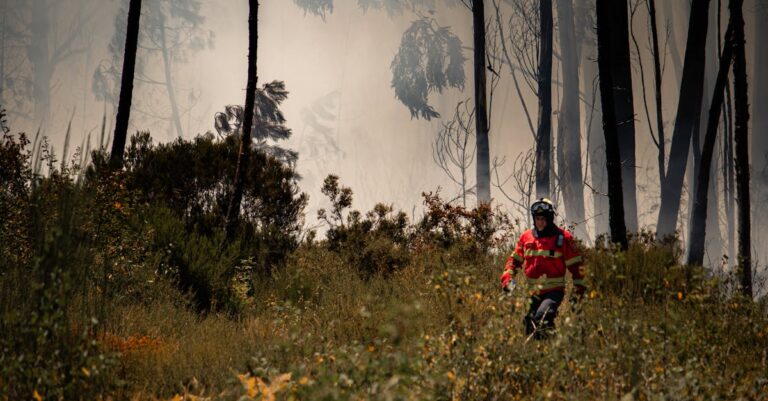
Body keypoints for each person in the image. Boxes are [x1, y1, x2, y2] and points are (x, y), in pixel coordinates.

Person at [501, 198, 586, 339]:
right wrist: (508, 280)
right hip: (532, 292)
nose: (540, 222)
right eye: (537, 218)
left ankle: (550, 348)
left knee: (542, 317)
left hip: (553, 292)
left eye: (543, 219)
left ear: (550, 218)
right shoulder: (526, 237)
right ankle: (549, 350)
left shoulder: (563, 238)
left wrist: (578, 293)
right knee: (529, 325)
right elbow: (513, 262)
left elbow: (577, 268)